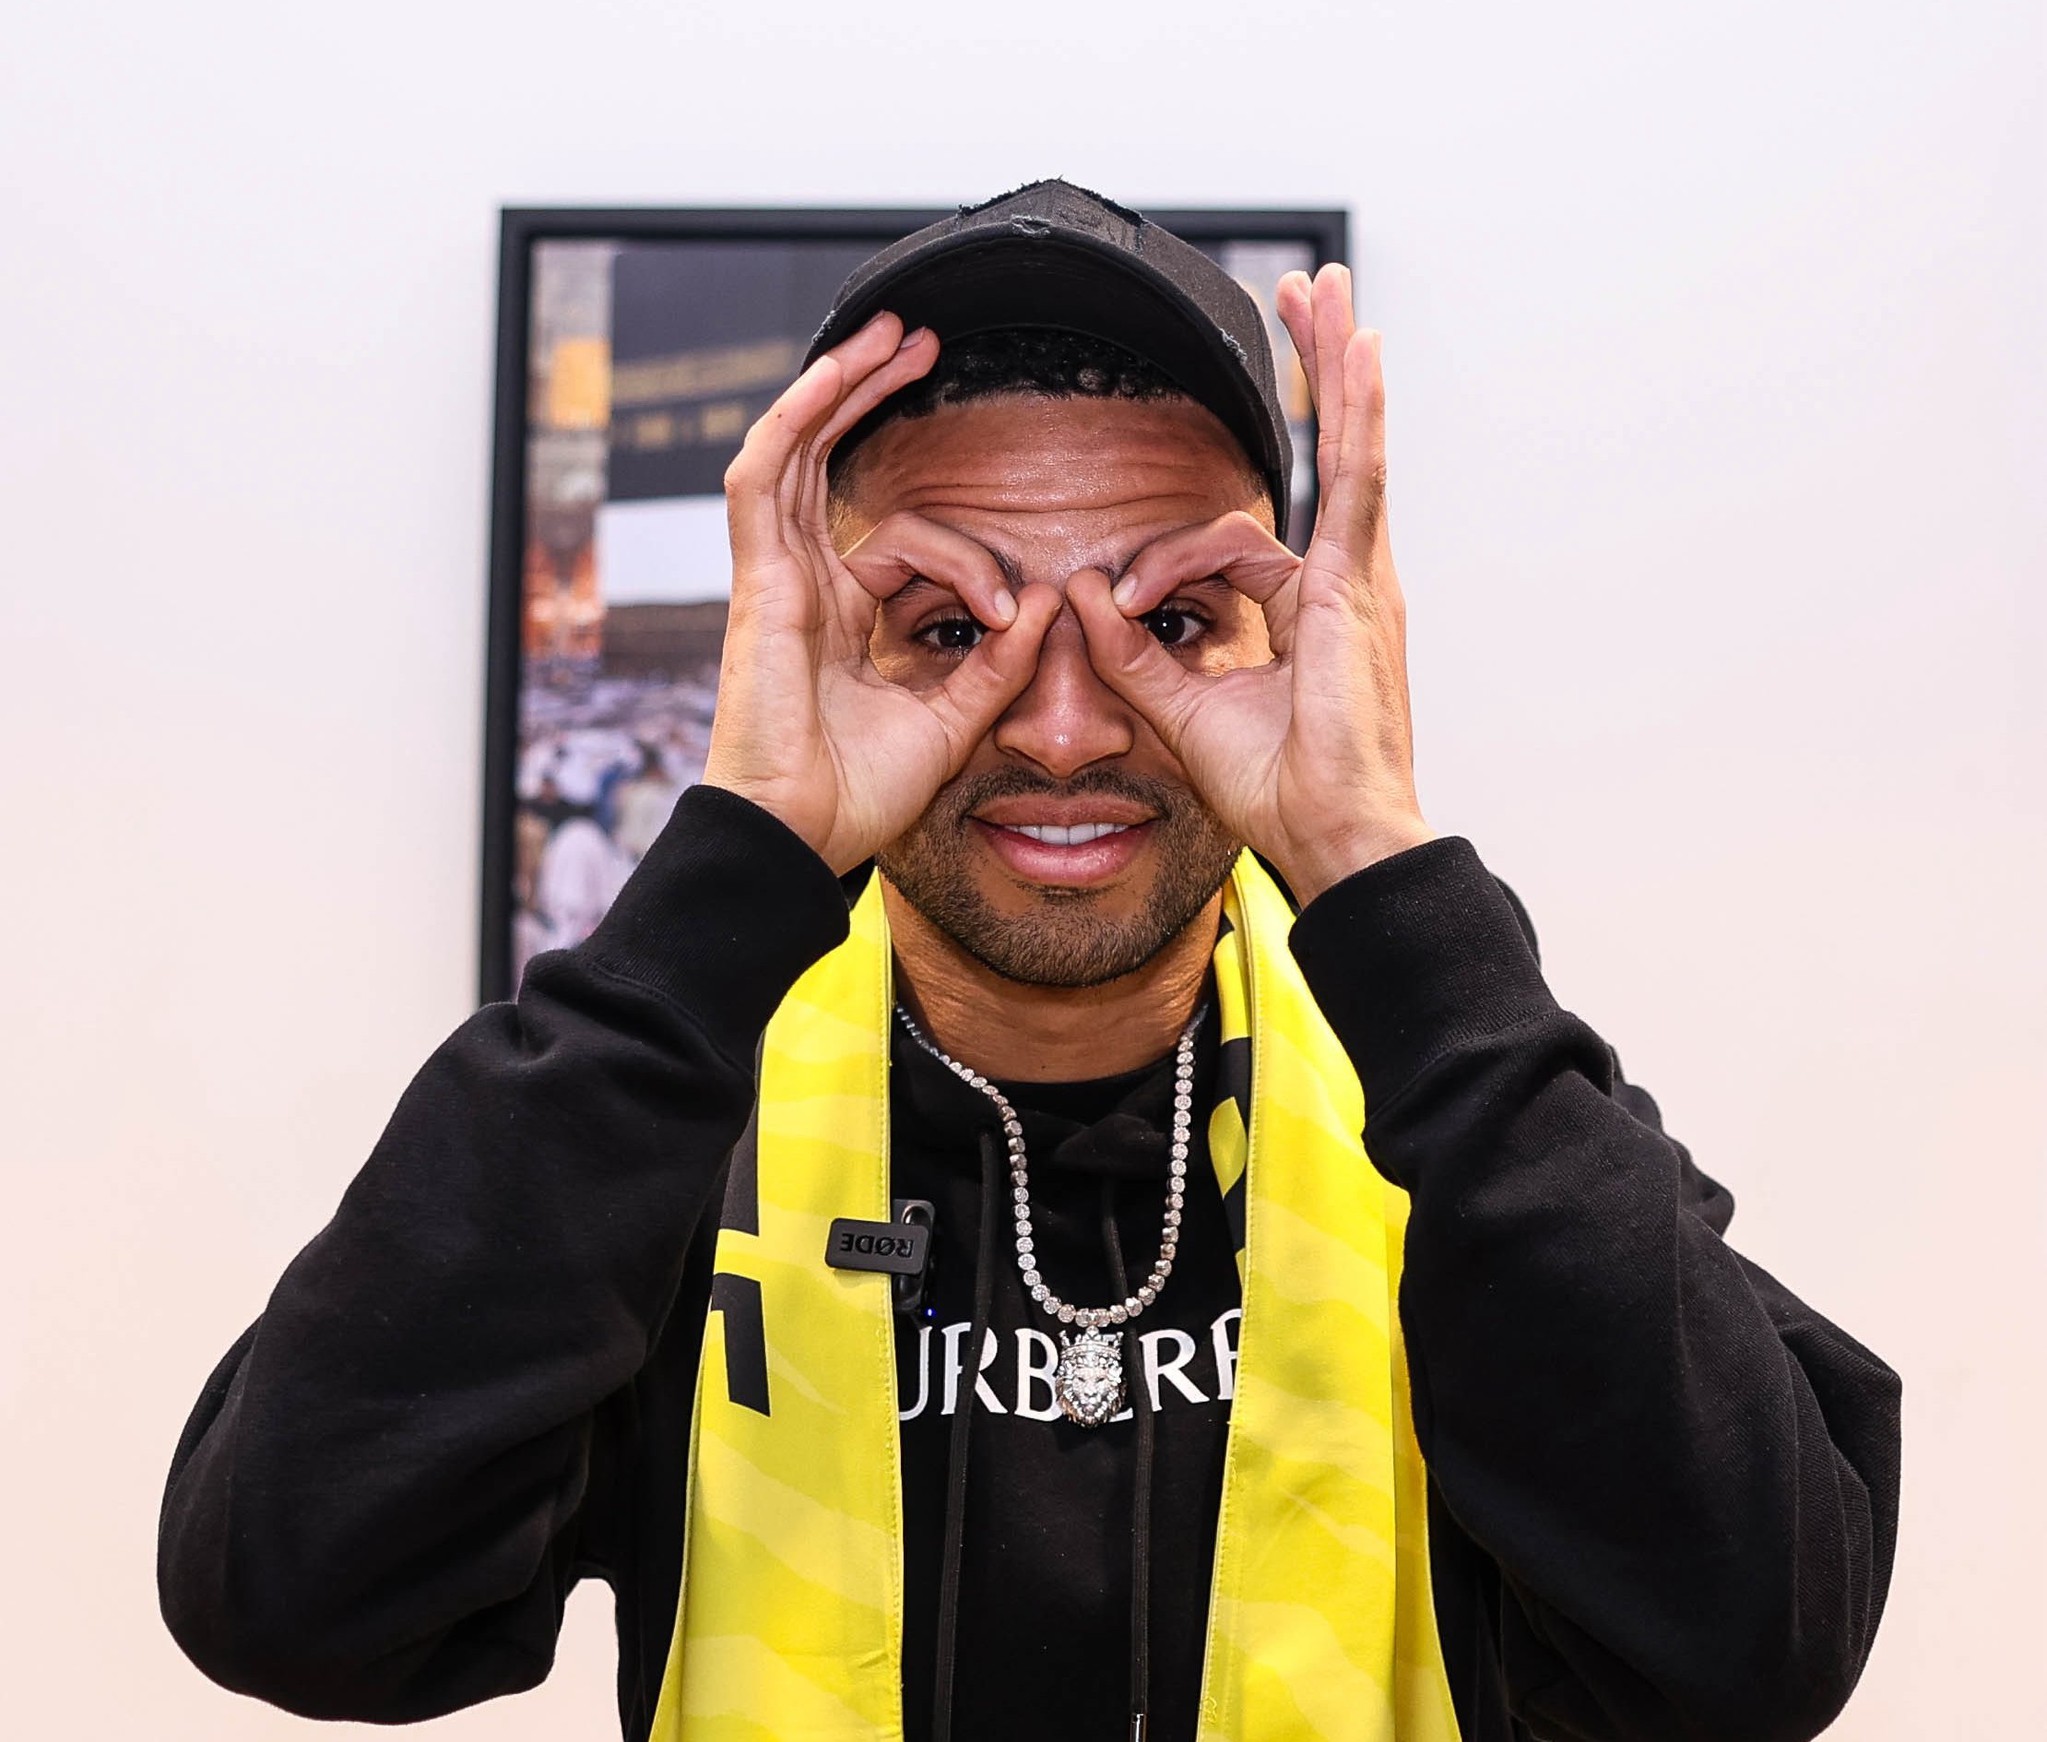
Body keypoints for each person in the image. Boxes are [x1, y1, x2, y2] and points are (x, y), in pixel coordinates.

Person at [159, 181, 1900, 1742]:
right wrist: (735, 857)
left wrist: (1381, 865)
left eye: (1172, 622)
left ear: (1298, 643)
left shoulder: (1462, 1121)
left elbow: (1754, 1646)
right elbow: (298, 1593)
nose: (1065, 728)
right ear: (820, 647)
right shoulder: (668, 1132)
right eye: (947, 627)